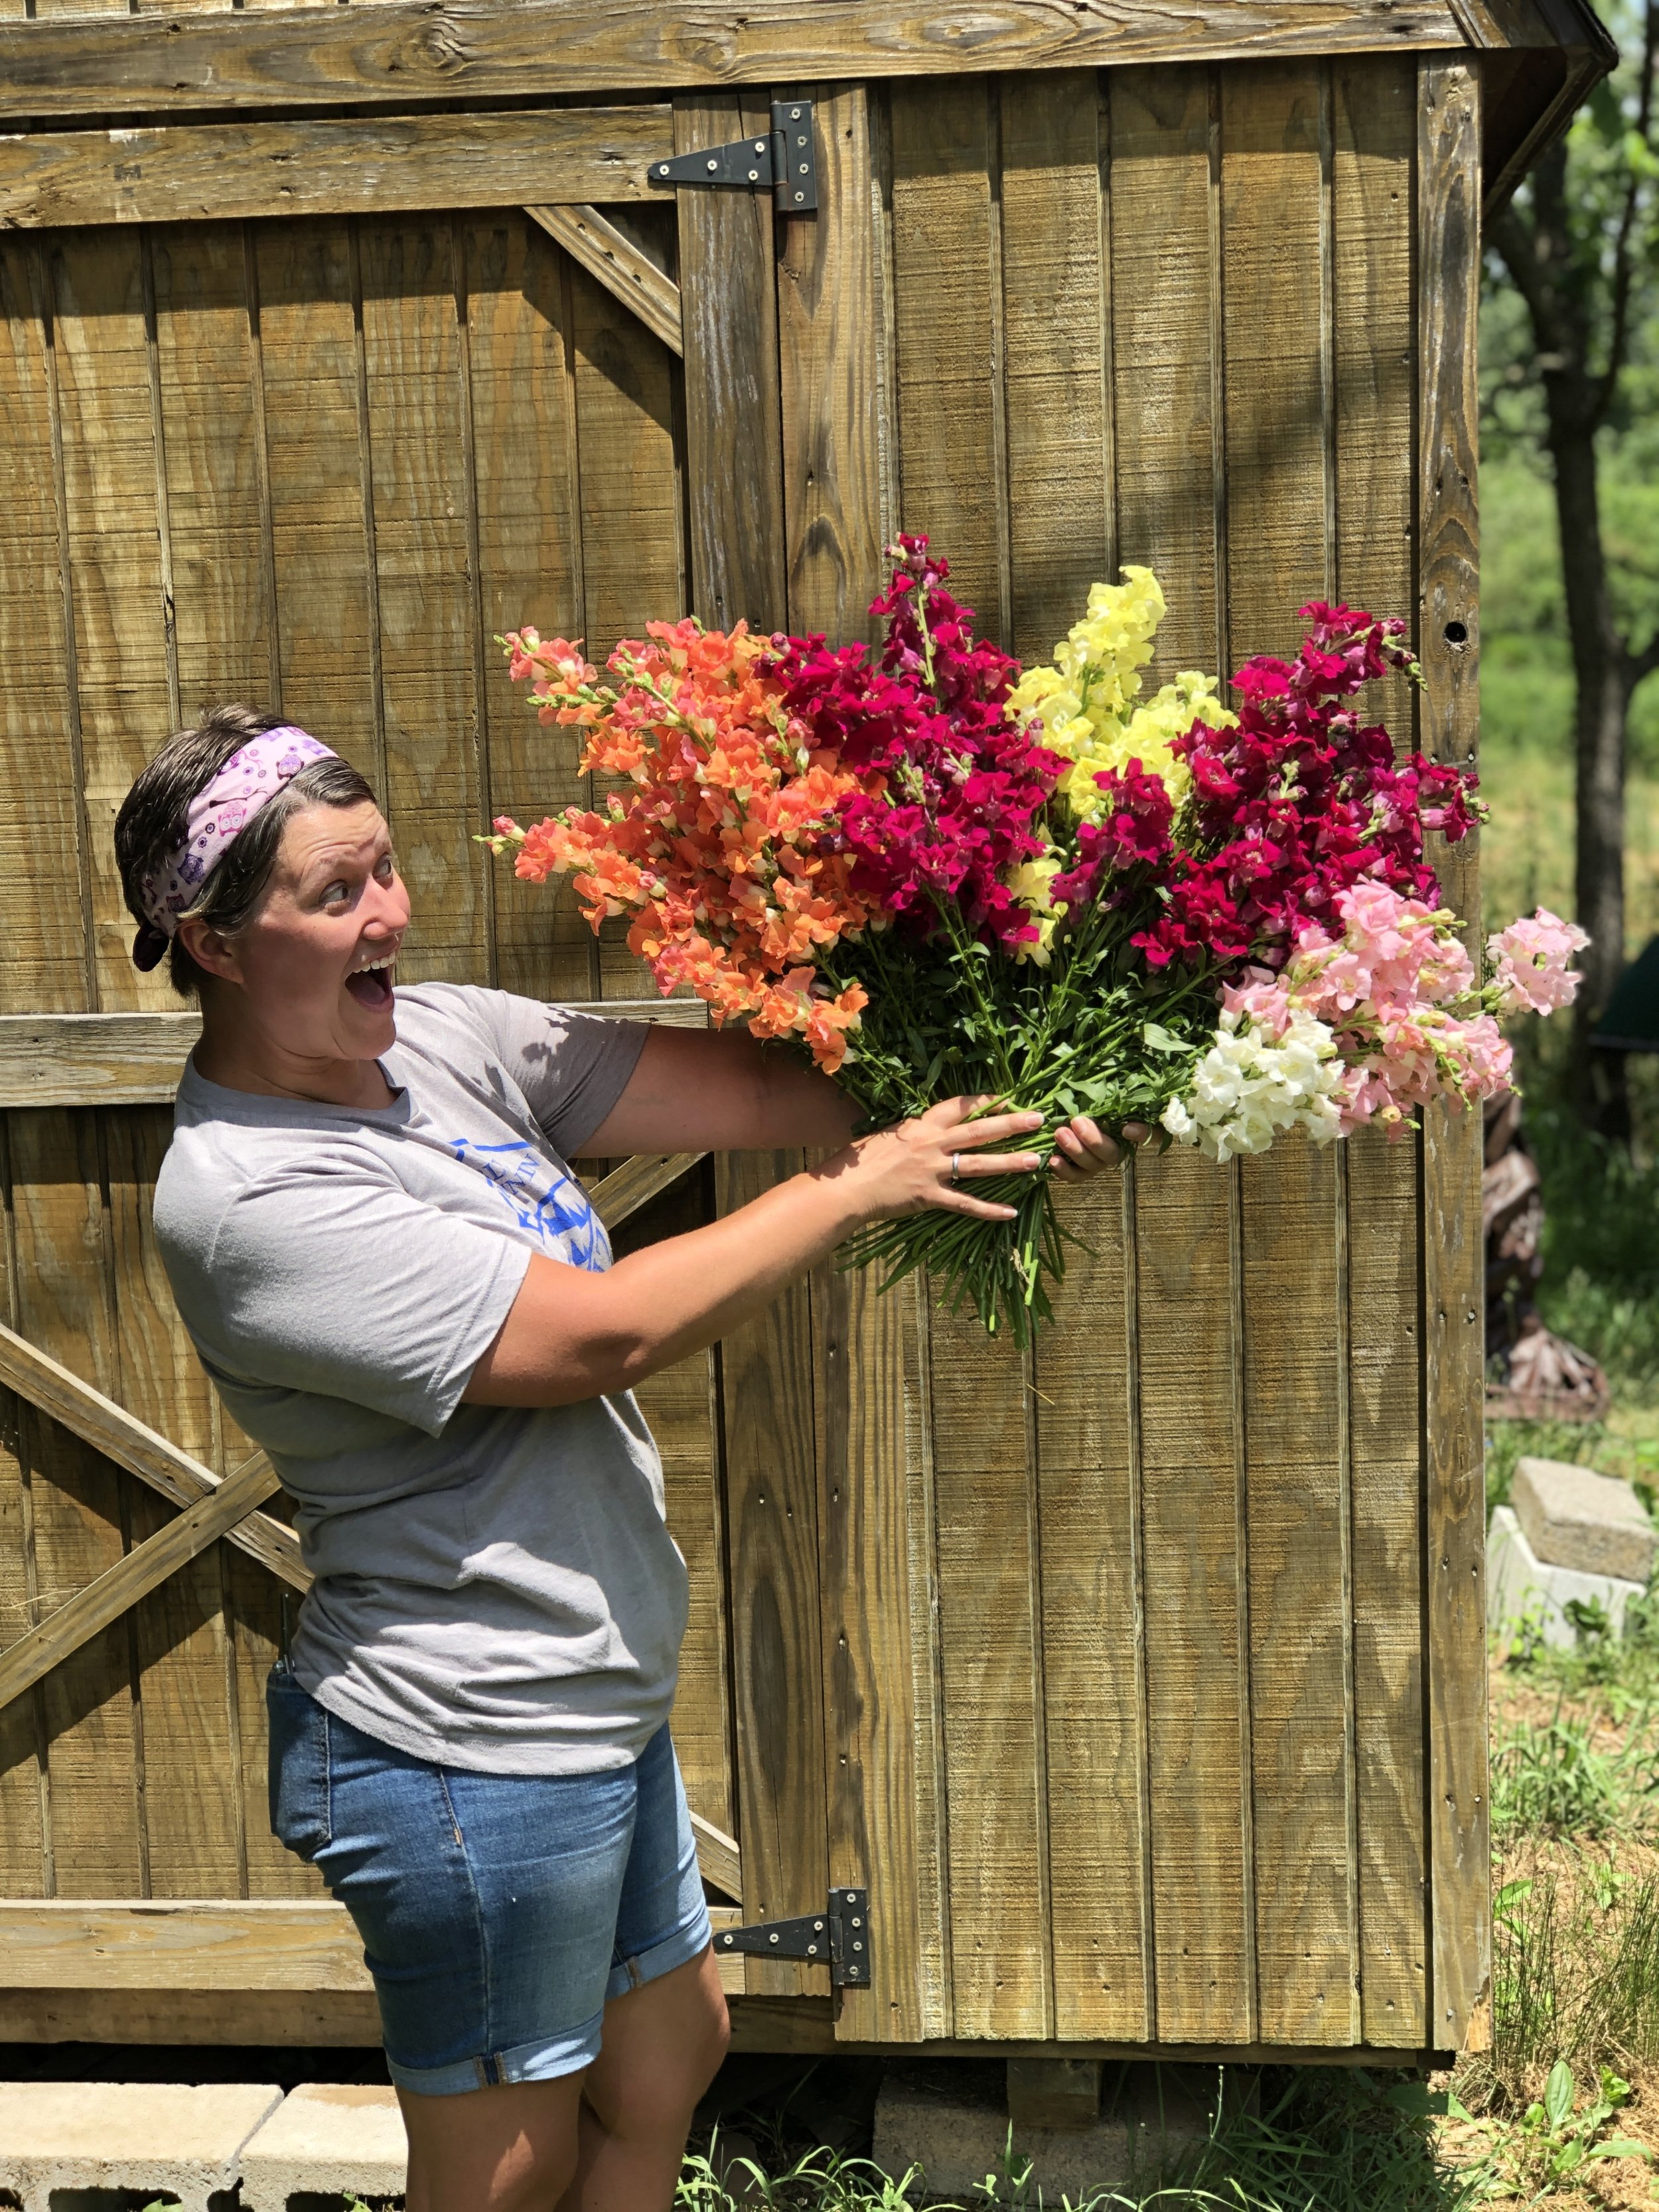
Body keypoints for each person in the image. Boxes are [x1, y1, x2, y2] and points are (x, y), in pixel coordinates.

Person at [114, 706, 1131, 2212]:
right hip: (461, 1735)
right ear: (210, 941)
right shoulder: (251, 1198)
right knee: (504, 2170)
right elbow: (592, 1336)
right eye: (334, 894)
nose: (386, 912)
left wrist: (991, 1100)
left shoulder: (439, 1035)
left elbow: (754, 1090)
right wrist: (864, 1186)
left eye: (383, 868)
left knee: (669, 2052)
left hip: (585, 1689)